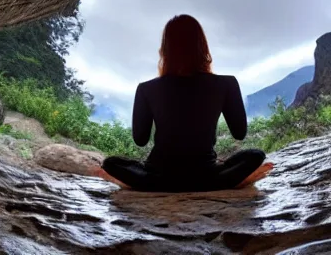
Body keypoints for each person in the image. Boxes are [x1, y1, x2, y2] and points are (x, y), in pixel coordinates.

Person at [95, 14, 273, 192]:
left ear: (165, 49)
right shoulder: (227, 84)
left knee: (111, 163)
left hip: (159, 178)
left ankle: (142, 183)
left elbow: (140, 140)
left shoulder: (146, 89)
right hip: (206, 176)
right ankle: (224, 182)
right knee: (255, 156)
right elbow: (240, 133)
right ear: (202, 46)